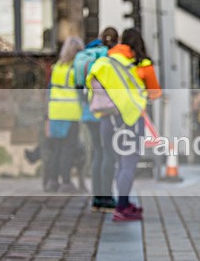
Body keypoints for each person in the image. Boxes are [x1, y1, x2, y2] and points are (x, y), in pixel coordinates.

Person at [86, 28, 162, 222]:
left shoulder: (104, 62)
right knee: (127, 163)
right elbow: (155, 93)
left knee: (111, 159)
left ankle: (113, 200)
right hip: (129, 118)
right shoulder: (141, 64)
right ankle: (122, 206)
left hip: (105, 118)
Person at [75, 27, 119, 212]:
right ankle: (107, 197)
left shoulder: (83, 56)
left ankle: (96, 198)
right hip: (106, 113)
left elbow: (78, 87)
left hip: (87, 112)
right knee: (109, 154)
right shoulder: (110, 57)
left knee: (96, 153)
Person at [44, 36, 85, 193]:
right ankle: (66, 182)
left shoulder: (56, 68)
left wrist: (47, 114)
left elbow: (49, 91)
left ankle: (52, 181)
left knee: (56, 149)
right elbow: (82, 92)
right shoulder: (75, 71)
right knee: (68, 149)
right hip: (70, 113)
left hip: (55, 112)